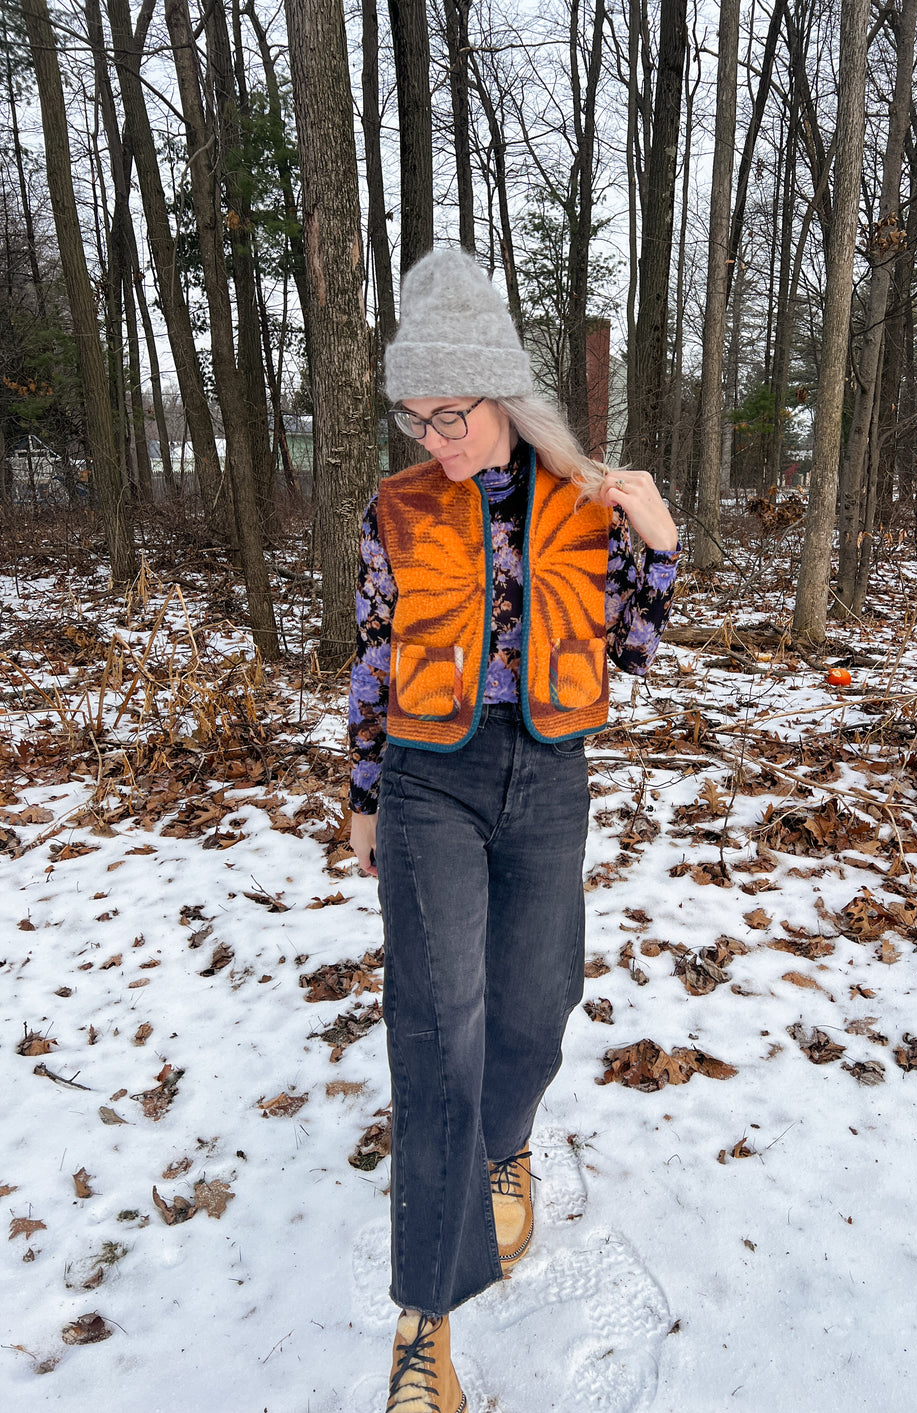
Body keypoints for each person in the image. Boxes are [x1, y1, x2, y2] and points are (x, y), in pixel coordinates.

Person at [348, 249, 679, 1413]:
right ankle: (424, 1319)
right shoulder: (397, 507)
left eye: (452, 413)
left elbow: (630, 653)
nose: (433, 437)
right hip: (430, 777)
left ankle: (509, 1145)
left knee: (535, 1004)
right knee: (438, 1026)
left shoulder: (580, 502)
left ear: (504, 397)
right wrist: (364, 794)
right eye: (415, 414)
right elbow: (375, 654)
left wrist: (660, 543)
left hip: (550, 774)